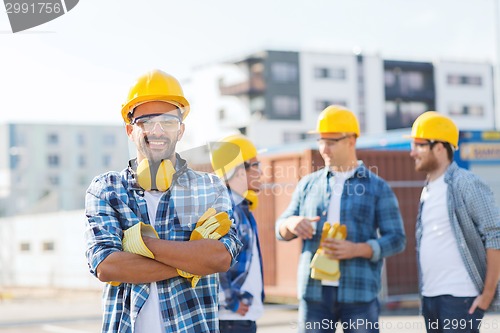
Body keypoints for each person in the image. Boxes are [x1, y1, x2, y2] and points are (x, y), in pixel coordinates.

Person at [84, 69, 242, 333]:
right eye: (146, 121)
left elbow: (220, 258)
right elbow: (107, 266)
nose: (157, 130)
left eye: (168, 121)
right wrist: (191, 262)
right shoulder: (106, 189)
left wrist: (140, 243)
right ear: (129, 129)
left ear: (180, 130)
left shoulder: (209, 187)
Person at [275, 105, 406, 333]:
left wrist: (357, 249)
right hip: (314, 293)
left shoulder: (377, 187)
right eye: (320, 141)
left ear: (352, 141)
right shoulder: (308, 184)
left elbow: (396, 239)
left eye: (331, 141)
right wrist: (291, 224)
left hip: (359, 293)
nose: (324, 149)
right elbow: (280, 228)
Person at [409, 111, 500, 333]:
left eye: (419, 145)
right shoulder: (429, 188)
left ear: (440, 147)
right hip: (430, 297)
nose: (412, 153)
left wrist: (488, 295)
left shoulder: (465, 183)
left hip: (460, 298)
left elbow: (495, 234)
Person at [210, 134, 265, 333]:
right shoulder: (228, 209)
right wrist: (231, 301)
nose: (261, 171)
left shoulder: (240, 207)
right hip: (231, 320)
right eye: (256, 165)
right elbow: (215, 261)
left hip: (238, 319)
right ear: (239, 170)